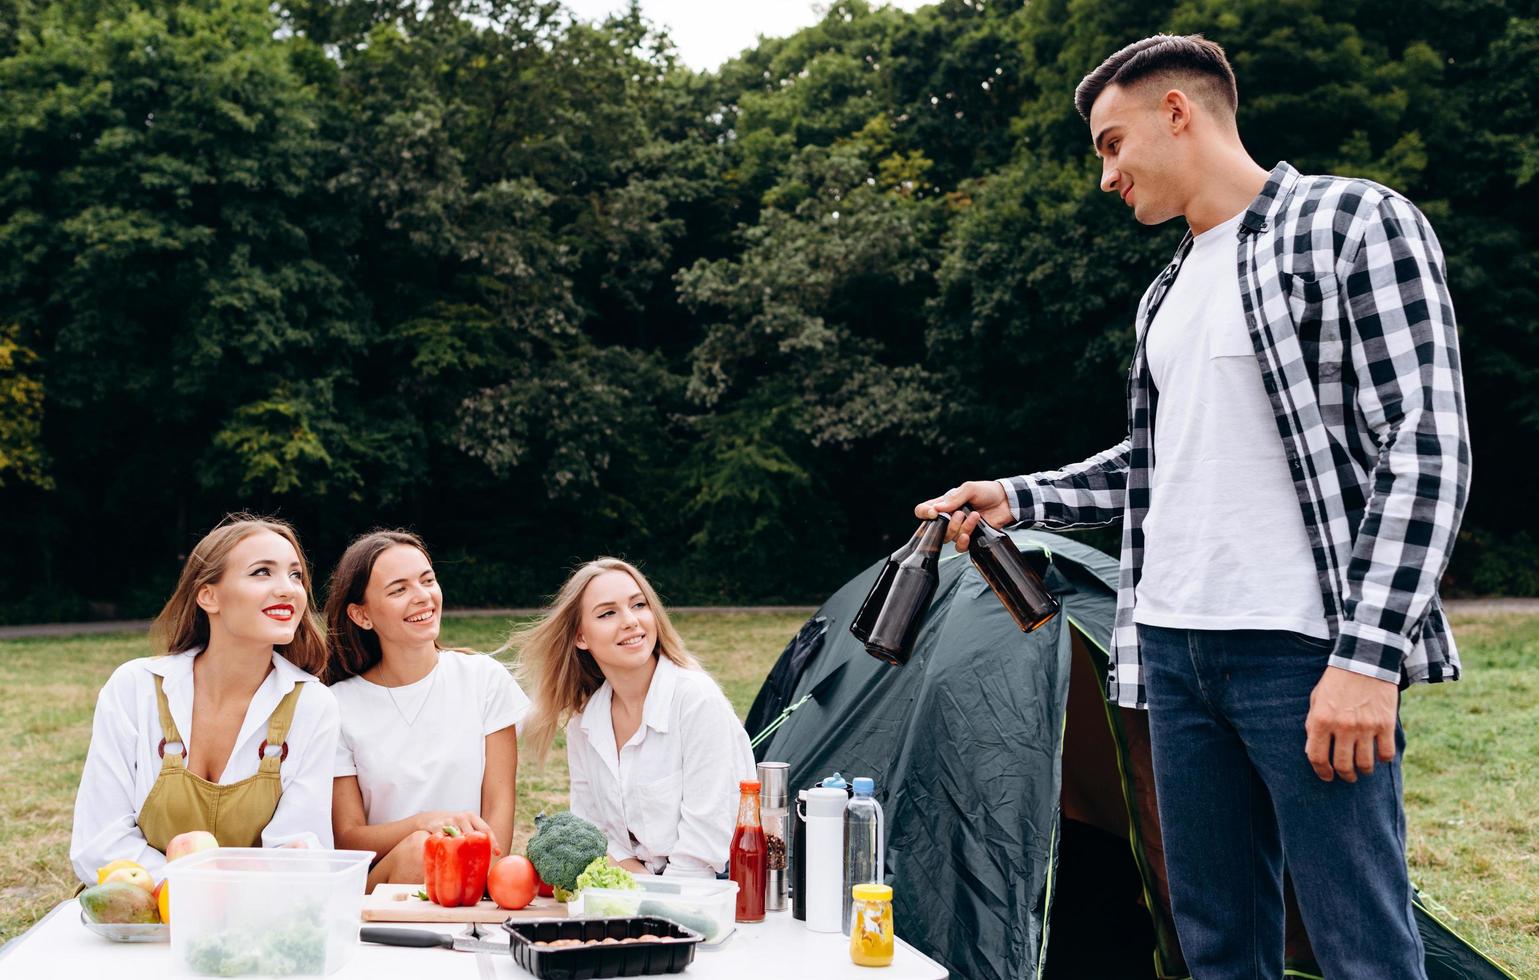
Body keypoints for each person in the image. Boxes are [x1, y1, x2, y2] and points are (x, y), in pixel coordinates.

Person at [919, 34, 1468, 979]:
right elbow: (1161, 461)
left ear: (1177, 111)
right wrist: (1019, 496)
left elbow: (1424, 446)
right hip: (1169, 652)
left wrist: (1368, 659)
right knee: (1212, 942)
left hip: (1298, 652)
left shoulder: (1349, 222)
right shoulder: (1166, 289)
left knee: (1360, 944)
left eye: (1110, 142)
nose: (1105, 175)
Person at [70, 516, 341, 884]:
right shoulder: (135, 688)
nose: (287, 589)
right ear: (208, 595)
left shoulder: (313, 705)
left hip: (253, 919)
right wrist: (200, 891)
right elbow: (99, 845)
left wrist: (222, 896)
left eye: (295, 575)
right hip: (137, 915)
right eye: (262, 572)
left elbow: (298, 852)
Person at [515, 558, 756, 878]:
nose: (630, 621)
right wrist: (634, 884)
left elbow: (703, 850)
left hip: (717, 884)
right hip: (640, 883)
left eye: (638, 605)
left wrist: (645, 899)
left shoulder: (696, 700)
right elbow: (597, 835)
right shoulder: (584, 725)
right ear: (580, 638)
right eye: (607, 613)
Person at [324, 530, 528, 890]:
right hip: (384, 889)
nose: (422, 597)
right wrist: (422, 824)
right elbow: (347, 839)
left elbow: (498, 809)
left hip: (471, 878)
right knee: (423, 850)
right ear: (361, 615)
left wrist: (476, 888)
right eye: (399, 589)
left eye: (427, 580)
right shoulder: (338, 705)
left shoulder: (484, 680)